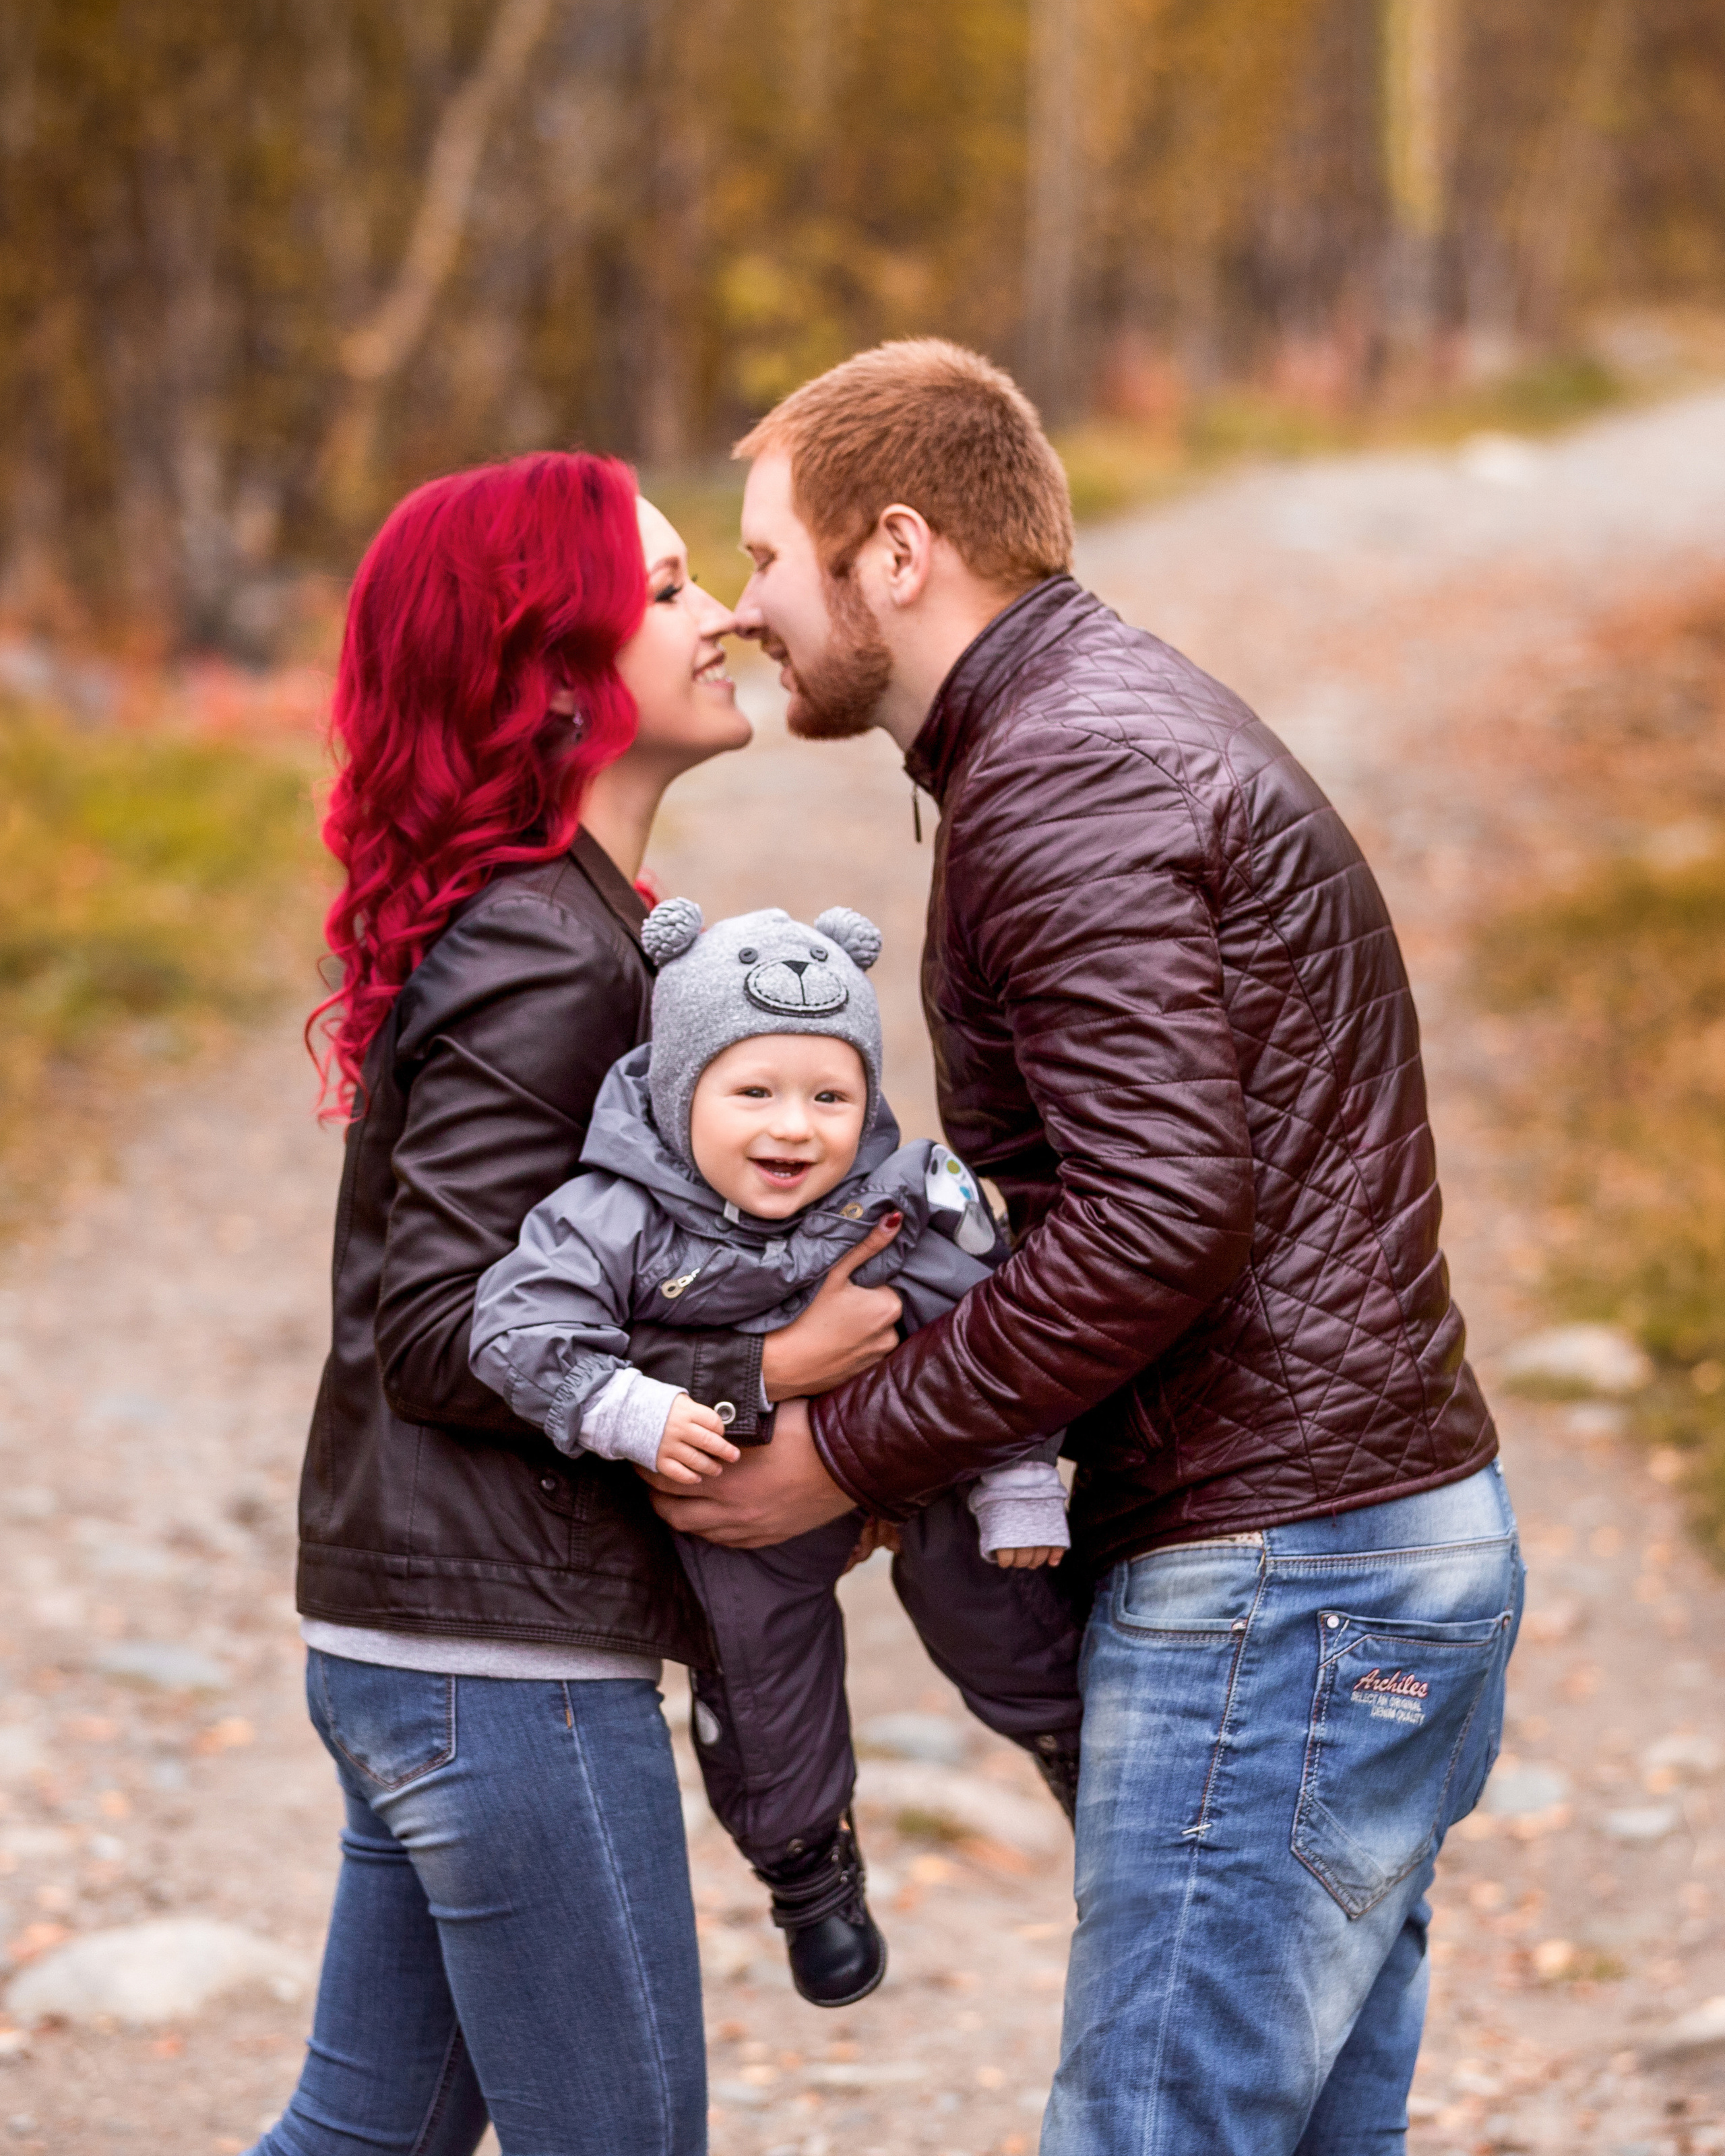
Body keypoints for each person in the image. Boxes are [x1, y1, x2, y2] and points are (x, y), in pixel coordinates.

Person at [649, 340, 1525, 2155]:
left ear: (895, 552)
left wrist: (842, 1455)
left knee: (1158, 2128)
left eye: (765, 560)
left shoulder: (1070, 777)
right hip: (1354, 1542)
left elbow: (1155, 1220)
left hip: (1288, 1570)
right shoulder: (1082, 735)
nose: (747, 615)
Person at [255, 451, 903, 2156]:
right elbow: (444, 1321)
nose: (723, 621)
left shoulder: (587, 930)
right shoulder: (554, 946)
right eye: (673, 590)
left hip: (438, 1636)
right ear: (554, 672)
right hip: (499, 1657)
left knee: (364, 2139)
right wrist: (769, 1362)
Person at [468, 897, 1078, 2006]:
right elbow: (516, 1329)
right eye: (753, 1092)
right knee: (752, 1644)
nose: (795, 1129)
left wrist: (1020, 1469)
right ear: (676, 1089)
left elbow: (996, 1322)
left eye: (831, 1096)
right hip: (740, 1480)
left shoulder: (902, 1196)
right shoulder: (614, 1211)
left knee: (994, 1579)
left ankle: (1063, 1730)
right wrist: (624, 1407)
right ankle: (805, 1867)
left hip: (913, 1453)